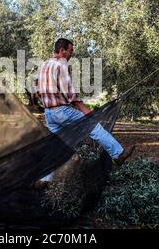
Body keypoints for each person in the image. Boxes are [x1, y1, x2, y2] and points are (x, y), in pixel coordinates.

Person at [34, 38, 135, 174]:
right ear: (62, 50)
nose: (71, 54)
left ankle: (43, 178)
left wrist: (47, 101)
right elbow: (70, 93)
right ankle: (118, 154)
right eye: (70, 51)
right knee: (93, 126)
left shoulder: (44, 65)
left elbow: (36, 88)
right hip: (62, 111)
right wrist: (85, 110)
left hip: (49, 114)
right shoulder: (61, 65)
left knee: (55, 145)